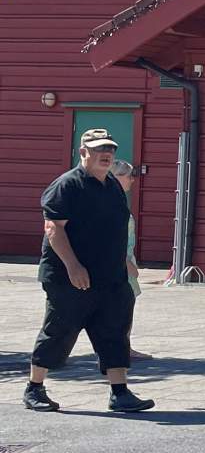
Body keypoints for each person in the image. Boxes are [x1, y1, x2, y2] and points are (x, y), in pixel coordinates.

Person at [22, 129, 154, 413]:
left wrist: (125, 261)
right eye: (98, 150)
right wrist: (73, 265)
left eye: (110, 150)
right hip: (70, 276)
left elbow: (114, 229)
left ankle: (120, 393)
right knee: (60, 330)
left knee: (115, 330)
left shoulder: (113, 186)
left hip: (111, 276)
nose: (105, 155)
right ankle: (34, 389)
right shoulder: (66, 185)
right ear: (83, 152)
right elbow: (53, 229)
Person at [109, 160, 153, 362]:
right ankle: (119, 349)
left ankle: (124, 346)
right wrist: (128, 266)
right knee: (121, 306)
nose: (132, 179)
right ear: (116, 176)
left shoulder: (118, 201)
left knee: (126, 304)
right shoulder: (110, 204)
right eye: (128, 175)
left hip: (125, 261)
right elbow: (109, 241)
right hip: (118, 265)